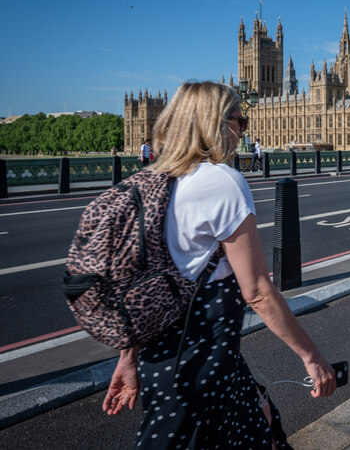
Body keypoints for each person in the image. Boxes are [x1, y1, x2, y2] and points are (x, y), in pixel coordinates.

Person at [103, 82, 336, 448]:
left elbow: (142, 287)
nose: (244, 129)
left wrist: (128, 357)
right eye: (239, 121)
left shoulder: (152, 181)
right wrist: (312, 356)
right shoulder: (222, 181)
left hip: (172, 359)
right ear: (215, 124)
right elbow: (257, 292)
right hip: (199, 363)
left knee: (266, 424)